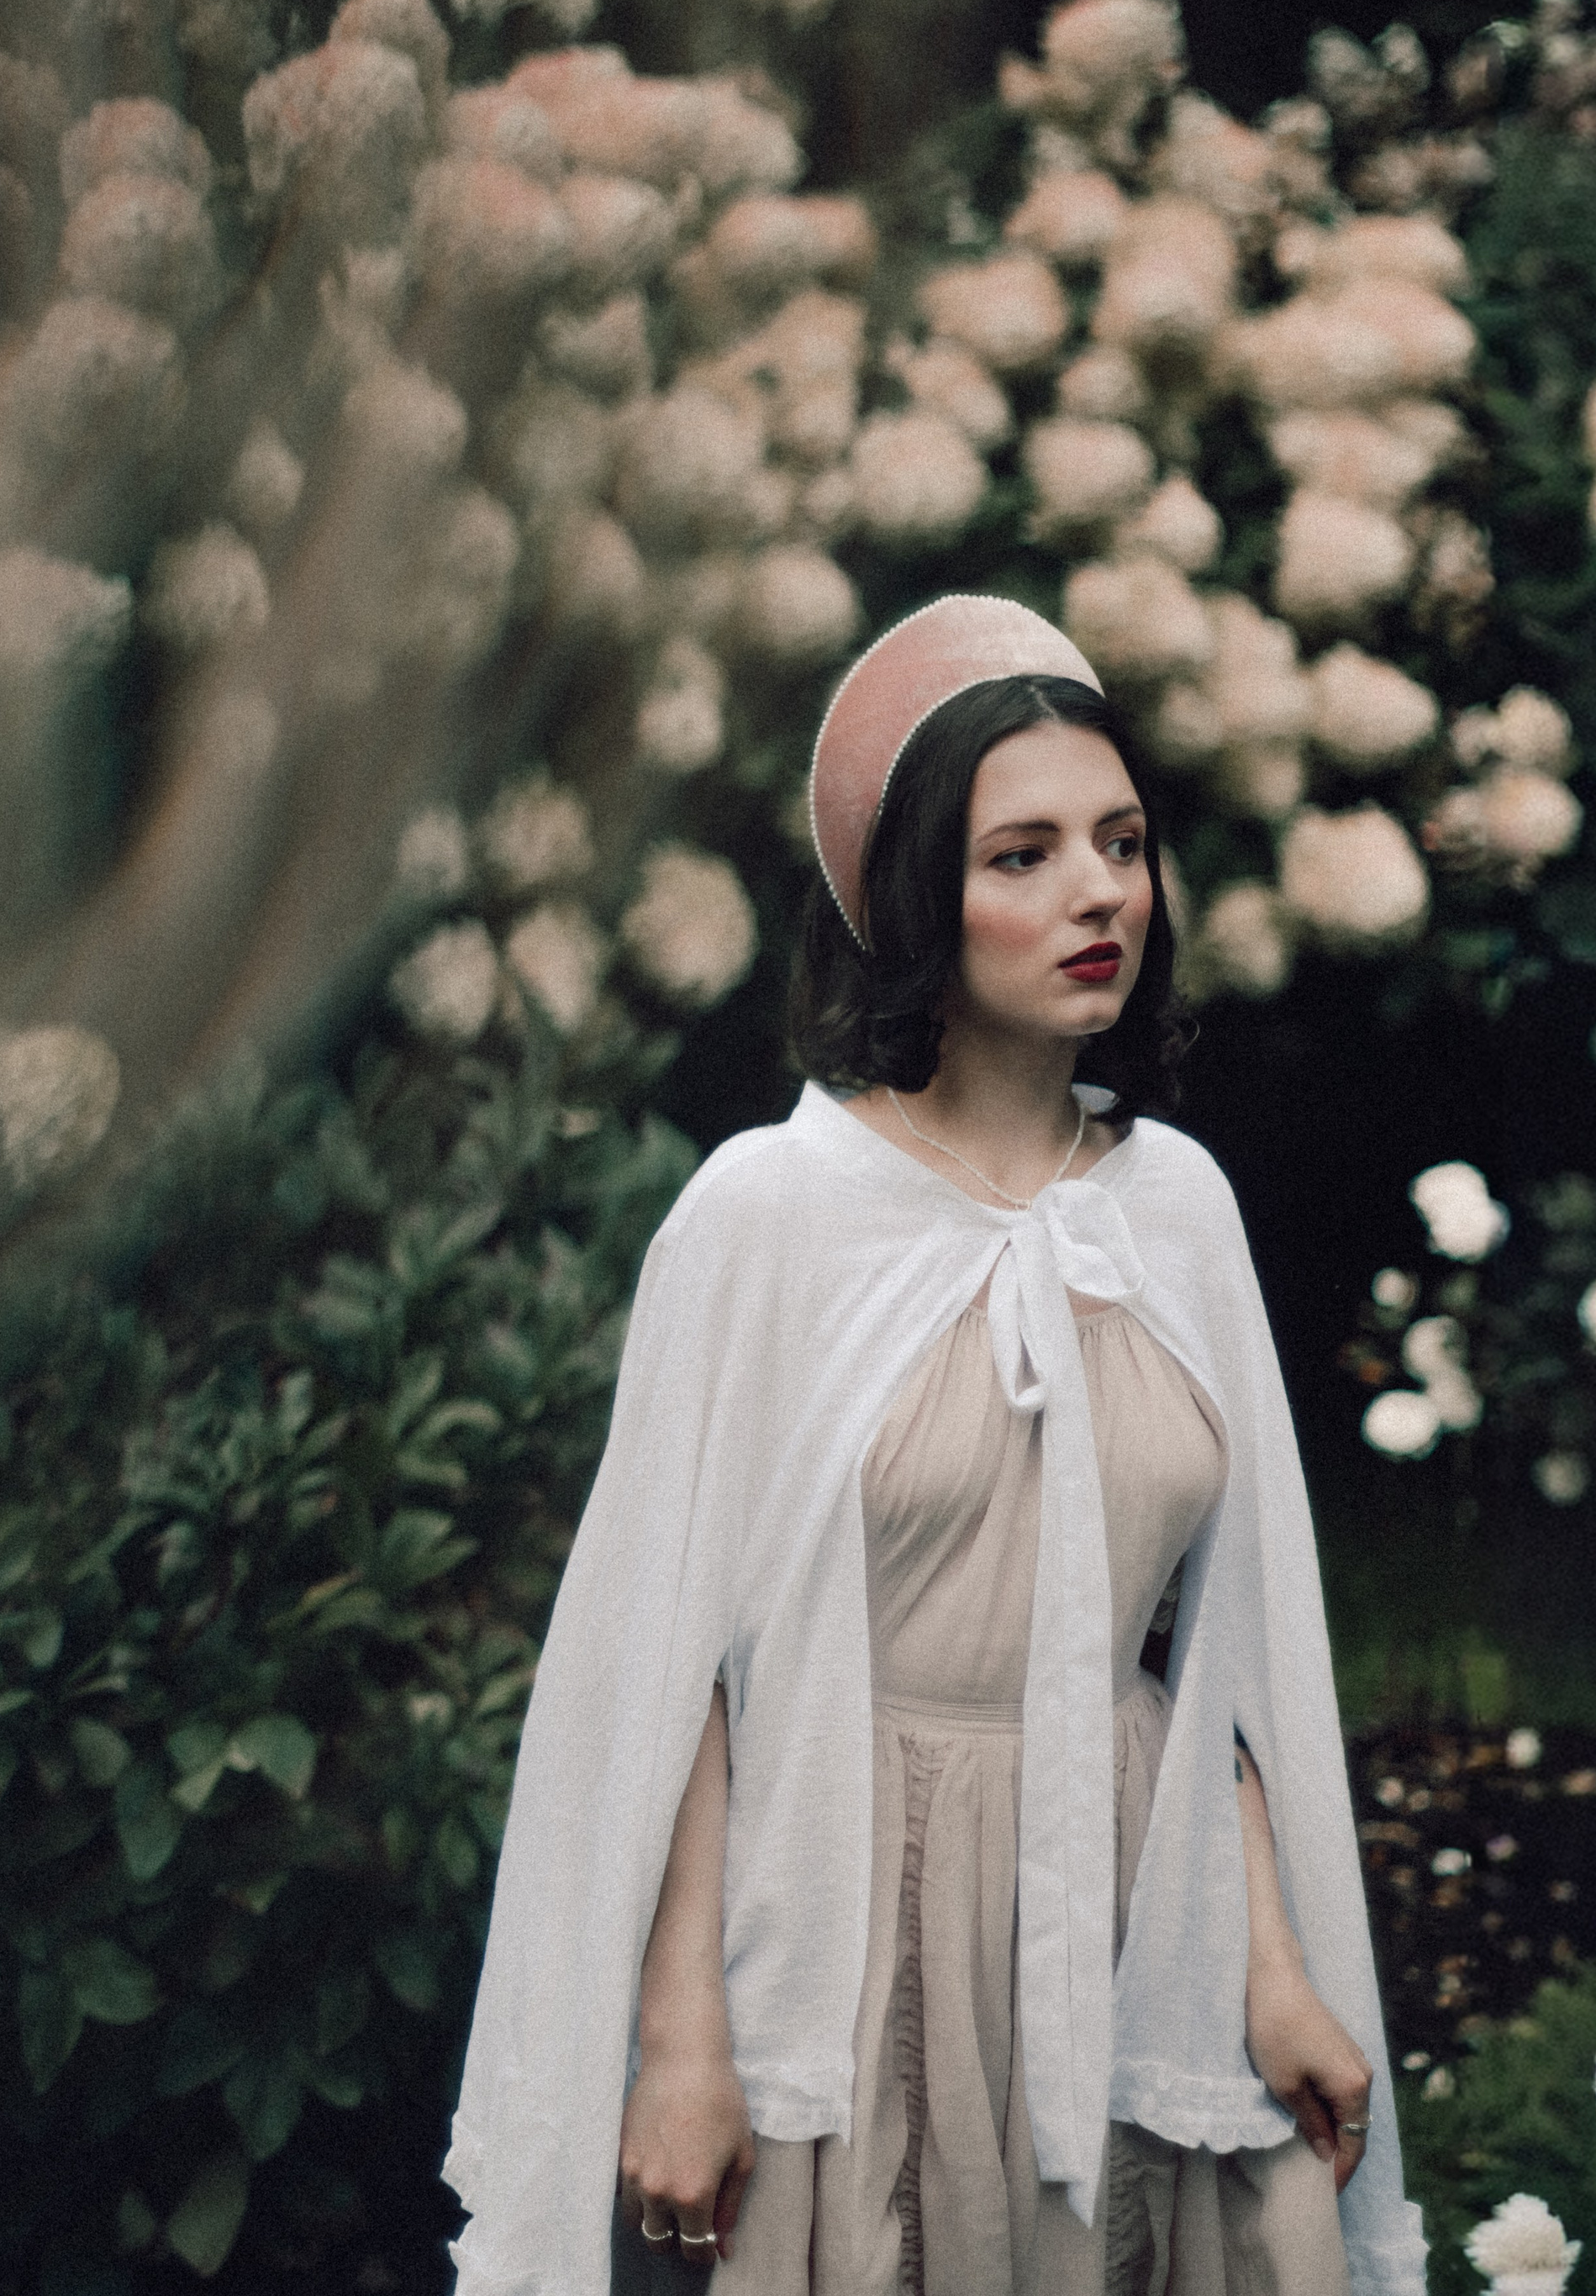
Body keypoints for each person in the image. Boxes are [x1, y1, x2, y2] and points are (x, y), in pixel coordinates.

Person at [445, 596, 1428, 2296]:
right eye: (1023, 854)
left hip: (1129, 1903)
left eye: (1118, 843)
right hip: (853, 1915)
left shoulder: (1173, 1209)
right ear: (914, 901)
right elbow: (674, 1664)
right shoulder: (770, 1214)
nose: (1096, 892)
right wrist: (680, 2035)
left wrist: (1262, 1958)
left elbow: (1226, 1660)